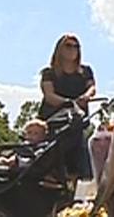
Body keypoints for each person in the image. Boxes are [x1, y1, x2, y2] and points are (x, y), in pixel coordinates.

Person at [38, 33, 96, 181]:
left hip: (76, 123)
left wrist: (86, 97)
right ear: (59, 49)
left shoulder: (85, 71)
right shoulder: (49, 73)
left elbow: (92, 88)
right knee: (50, 160)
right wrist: (68, 103)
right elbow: (49, 95)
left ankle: (83, 190)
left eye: (76, 46)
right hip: (53, 123)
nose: (73, 49)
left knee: (81, 156)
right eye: (68, 46)